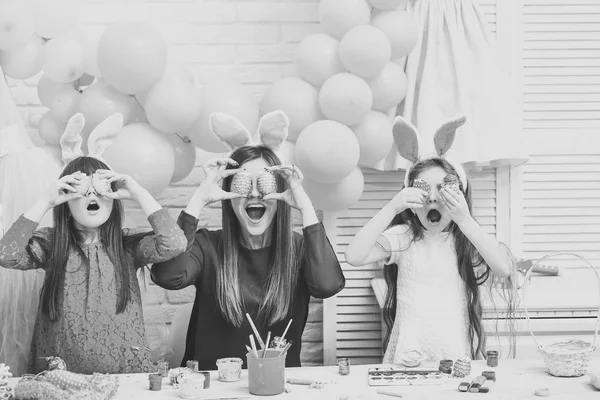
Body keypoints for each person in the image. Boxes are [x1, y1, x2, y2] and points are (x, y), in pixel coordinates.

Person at [151, 111, 345, 370]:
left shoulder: (298, 249)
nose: (254, 193)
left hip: (274, 387)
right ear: (229, 196)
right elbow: (167, 276)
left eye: (264, 184)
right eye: (243, 183)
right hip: (212, 388)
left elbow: (328, 285)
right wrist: (197, 200)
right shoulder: (207, 245)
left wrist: (305, 207)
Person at [0, 113, 187, 374]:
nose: (92, 195)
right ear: (66, 198)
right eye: (82, 189)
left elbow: (175, 243)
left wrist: (137, 192)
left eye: (99, 190)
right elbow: (6, 255)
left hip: (124, 375)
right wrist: (45, 200)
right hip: (63, 376)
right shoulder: (53, 244)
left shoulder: (127, 246)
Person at [345, 116, 516, 363]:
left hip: (453, 351)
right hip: (408, 353)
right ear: (411, 202)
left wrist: (466, 221)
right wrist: (392, 207)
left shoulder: (465, 237)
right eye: (424, 189)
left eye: (443, 188)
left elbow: (504, 268)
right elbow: (354, 256)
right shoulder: (404, 237)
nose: (433, 198)